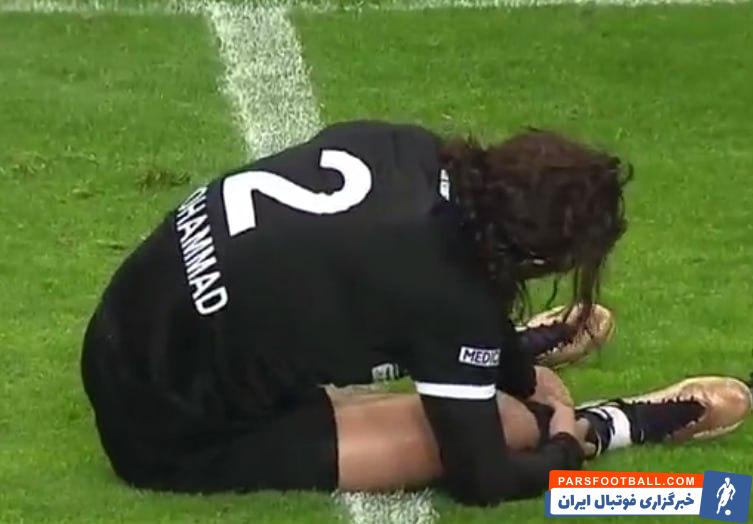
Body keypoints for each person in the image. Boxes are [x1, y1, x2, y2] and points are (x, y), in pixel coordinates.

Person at [80, 120, 752, 506]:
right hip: (167, 431)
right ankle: (611, 425)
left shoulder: (408, 145)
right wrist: (563, 449)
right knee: (514, 427)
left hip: (126, 334)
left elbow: (377, 275)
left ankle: (497, 355)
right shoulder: (446, 293)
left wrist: (507, 364)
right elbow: (480, 479)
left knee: (420, 326)